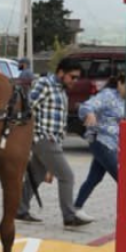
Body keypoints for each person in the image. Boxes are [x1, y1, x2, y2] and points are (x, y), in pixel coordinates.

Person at [16, 56, 94, 228]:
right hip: (44, 138)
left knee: (35, 176)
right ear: (61, 73)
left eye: (77, 78)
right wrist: (37, 134)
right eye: (72, 77)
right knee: (67, 176)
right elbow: (28, 107)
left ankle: (19, 210)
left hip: (51, 140)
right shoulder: (45, 84)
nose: (75, 81)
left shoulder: (61, 90)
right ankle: (69, 216)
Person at [74, 73, 125, 215]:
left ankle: (76, 209)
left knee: (94, 178)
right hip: (101, 140)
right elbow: (86, 106)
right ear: (120, 83)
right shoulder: (108, 95)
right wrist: (89, 113)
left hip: (114, 144)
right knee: (123, 178)